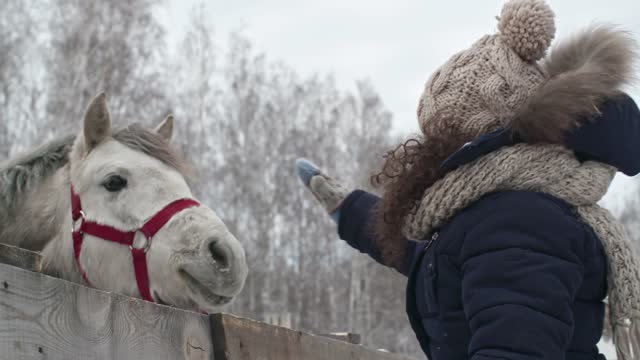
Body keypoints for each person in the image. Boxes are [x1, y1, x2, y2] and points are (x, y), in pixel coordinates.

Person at [296, 0, 640, 359]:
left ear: (475, 135)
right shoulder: (500, 212)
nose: (429, 150)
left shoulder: (519, 220)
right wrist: (351, 211)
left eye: (439, 132)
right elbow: (438, 264)